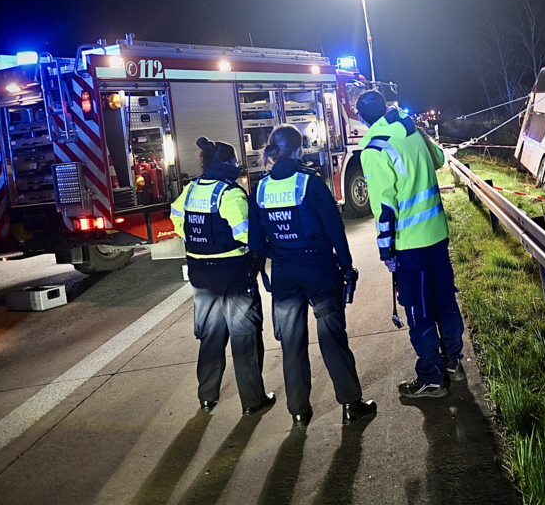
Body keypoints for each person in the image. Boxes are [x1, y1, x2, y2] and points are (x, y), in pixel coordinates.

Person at [248, 124, 376, 427]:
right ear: (297, 149)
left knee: (292, 344)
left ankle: (298, 411)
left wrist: (276, 254)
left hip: (284, 275)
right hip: (319, 270)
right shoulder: (311, 183)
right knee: (332, 339)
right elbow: (334, 229)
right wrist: (346, 265)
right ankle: (350, 405)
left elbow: (254, 242)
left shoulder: (261, 188)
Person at [357, 90, 466, 399]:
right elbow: (441, 159)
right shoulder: (410, 130)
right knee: (445, 301)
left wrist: (385, 251)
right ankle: (454, 363)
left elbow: (384, 208)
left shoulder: (375, 149)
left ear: (363, 118)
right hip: (437, 235)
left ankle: (432, 377)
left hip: (410, 245)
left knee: (419, 312)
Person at [170, 137, 275, 415]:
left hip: (201, 274)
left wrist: (194, 239)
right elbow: (244, 233)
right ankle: (253, 401)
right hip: (232, 273)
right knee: (245, 337)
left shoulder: (191, 189)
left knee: (211, 336)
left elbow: (176, 216)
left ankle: (207, 396)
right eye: (235, 161)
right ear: (228, 163)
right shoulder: (230, 193)